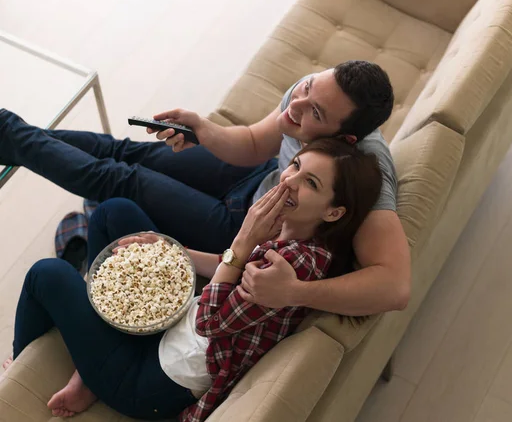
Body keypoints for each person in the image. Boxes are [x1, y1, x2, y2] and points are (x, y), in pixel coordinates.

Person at [6, 139, 382, 421]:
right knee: (114, 213)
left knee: (47, 274)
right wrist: (175, 249)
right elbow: (228, 263)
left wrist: (243, 238)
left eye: (310, 182)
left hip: (151, 383)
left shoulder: (293, 267)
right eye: (295, 165)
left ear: (334, 211)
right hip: (173, 326)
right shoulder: (293, 229)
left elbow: (209, 321)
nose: (289, 180)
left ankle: (18, 370)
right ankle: (94, 361)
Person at [0, 60, 410, 315]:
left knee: (119, 179)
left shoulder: (367, 170)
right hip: (256, 179)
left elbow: (395, 287)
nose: (295, 107)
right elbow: (253, 143)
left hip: (244, 231)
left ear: (346, 141)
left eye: (314, 112)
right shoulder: (308, 95)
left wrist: (295, 292)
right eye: (305, 89)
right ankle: (9, 138)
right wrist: (203, 130)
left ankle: (6, 130)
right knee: (127, 152)